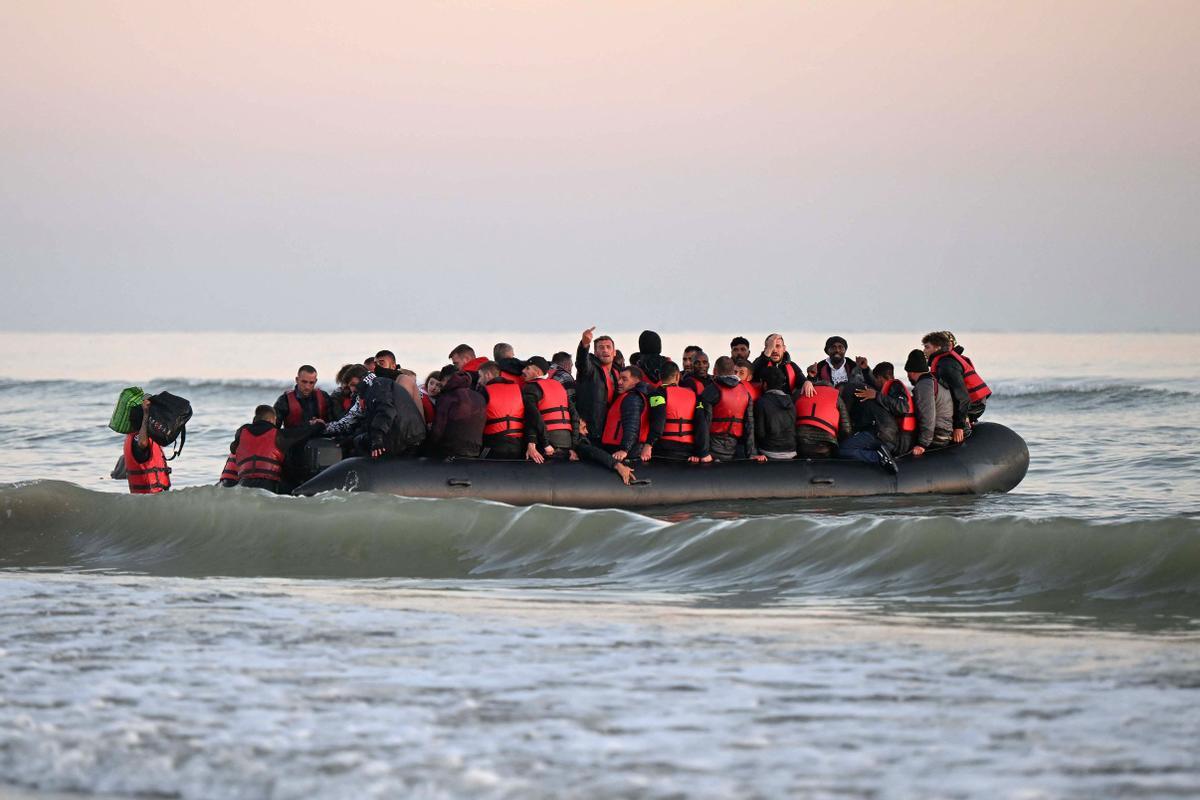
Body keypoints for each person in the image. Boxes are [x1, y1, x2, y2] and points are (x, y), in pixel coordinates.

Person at [227, 405, 325, 493]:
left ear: (255, 419)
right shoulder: (278, 435)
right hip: (268, 486)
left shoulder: (242, 432)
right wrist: (318, 424)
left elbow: (233, 448)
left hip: (244, 484)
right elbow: (303, 432)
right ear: (272, 420)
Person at [922, 331, 991, 442]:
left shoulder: (946, 365)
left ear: (938, 347)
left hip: (973, 405)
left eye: (927, 347)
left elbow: (962, 397)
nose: (924, 351)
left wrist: (959, 427)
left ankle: (965, 431)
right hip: (971, 403)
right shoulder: (942, 361)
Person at [838, 363, 902, 474]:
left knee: (843, 450)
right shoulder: (867, 390)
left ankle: (878, 457)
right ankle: (881, 453)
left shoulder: (848, 390)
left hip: (879, 433)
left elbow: (845, 422)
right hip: (890, 435)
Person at [701, 356, 762, 462]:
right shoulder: (746, 393)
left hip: (712, 451)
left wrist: (703, 452)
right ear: (733, 371)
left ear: (715, 371)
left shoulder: (711, 390)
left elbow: (704, 423)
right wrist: (752, 454)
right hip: (733, 450)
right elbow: (749, 425)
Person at [648, 362, 711, 462]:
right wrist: (703, 453)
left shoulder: (657, 394)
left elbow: (658, 421)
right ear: (678, 376)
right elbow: (701, 424)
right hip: (688, 450)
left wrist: (648, 444)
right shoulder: (694, 395)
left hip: (663, 449)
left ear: (660, 376)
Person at [521, 356, 580, 463]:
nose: (523, 371)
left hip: (547, 446)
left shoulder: (530, 387)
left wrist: (546, 444)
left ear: (538, 371)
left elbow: (534, 417)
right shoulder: (559, 386)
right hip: (566, 444)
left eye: (527, 368)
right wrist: (573, 446)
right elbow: (574, 416)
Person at [427, 364, 486, 458]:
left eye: (441, 384)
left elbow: (438, 429)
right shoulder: (479, 397)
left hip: (450, 451)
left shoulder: (447, 396)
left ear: (445, 380)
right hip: (474, 450)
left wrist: (428, 447)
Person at [904, 349, 953, 456]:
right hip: (946, 430)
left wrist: (922, 444)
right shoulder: (934, 380)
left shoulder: (924, 386)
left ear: (911, 372)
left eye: (907, 373)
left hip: (938, 435)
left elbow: (928, 415)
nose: (907, 377)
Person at [575, 326, 618, 444]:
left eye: (608, 347)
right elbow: (581, 362)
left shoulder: (617, 373)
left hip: (609, 431)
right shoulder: (590, 369)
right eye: (601, 347)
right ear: (595, 352)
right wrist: (584, 345)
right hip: (589, 431)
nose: (605, 350)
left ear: (614, 352)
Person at [600, 365, 651, 462]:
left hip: (624, 452)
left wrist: (624, 449)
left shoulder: (632, 399)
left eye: (624, 379)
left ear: (636, 381)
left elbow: (632, 425)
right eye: (619, 378)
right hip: (620, 450)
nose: (619, 382)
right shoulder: (628, 396)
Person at [794, 377, 851, 459]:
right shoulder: (836, 398)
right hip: (824, 446)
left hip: (801, 443)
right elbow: (846, 429)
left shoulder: (800, 393)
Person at [124, 396, 171, 494]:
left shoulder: (130, 438)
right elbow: (142, 443)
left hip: (146, 500)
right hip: (149, 498)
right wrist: (146, 415)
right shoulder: (138, 440)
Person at [480, 364, 526, 459]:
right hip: (517, 444)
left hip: (493, 443)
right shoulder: (519, 389)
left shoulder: (484, 391)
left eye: (480, 376)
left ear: (488, 375)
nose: (479, 381)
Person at [754, 366, 798, 460]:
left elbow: (760, 433)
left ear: (764, 384)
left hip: (769, 452)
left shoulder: (761, 402)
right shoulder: (791, 401)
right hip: (791, 451)